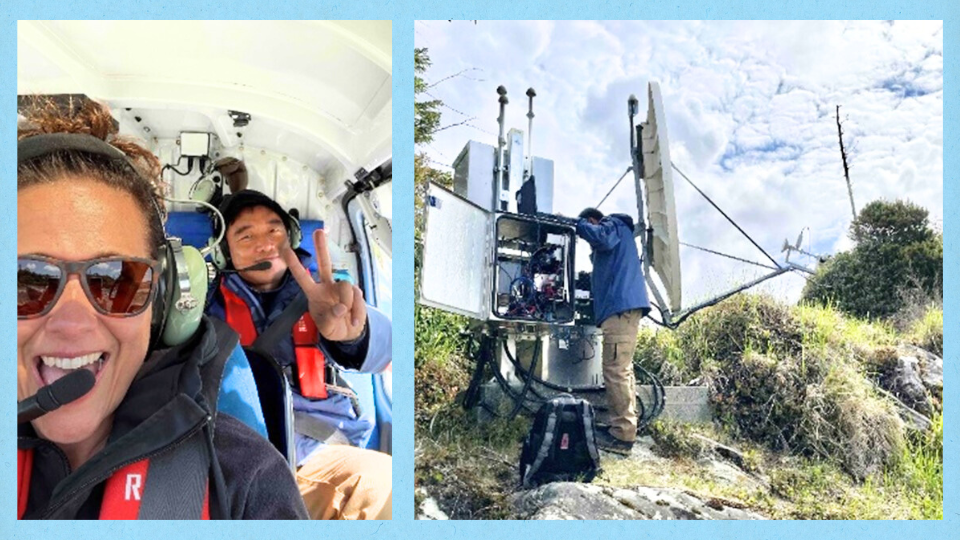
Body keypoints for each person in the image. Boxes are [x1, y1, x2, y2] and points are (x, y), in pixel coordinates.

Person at [16, 99, 307, 520]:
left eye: (117, 279)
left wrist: (353, 337)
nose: (71, 322)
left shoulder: (244, 477)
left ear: (164, 302)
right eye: (28, 279)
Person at [205, 189, 392, 520]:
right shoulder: (202, 307)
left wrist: (353, 337)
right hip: (231, 461)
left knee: (382, 484)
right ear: (224, 252)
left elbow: (388, 353)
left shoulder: (329, 292)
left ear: (290, 236)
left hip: (318, 455)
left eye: (274, 230)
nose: (265, 244)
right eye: (246, 236)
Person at [576, 207, 651, 455]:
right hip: (623, 310)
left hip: (620, 311)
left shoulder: (613, 225)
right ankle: (624, 427)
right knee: (623, 370)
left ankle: (622, 436)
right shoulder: (620, 238)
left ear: (593, 221)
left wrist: (577, 224)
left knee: (616, 370)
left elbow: (602, 238)